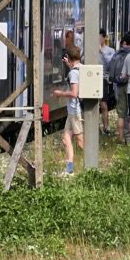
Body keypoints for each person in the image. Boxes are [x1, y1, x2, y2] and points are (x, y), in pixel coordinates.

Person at [51, 45, 83, 174]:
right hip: (72, 112)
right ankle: (69, 170)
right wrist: (68, 65)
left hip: (75, 112)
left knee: (81, 143)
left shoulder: (73, 73)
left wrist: (59, 93)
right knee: (66, 139)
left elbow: (74, 93)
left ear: (68, 57)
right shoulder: (80, 68)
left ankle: (93, 164)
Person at [109, 31, 130, 143]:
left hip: (119, 86)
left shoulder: (117, 53)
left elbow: (110, 68)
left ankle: (120, 138)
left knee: (121, 114)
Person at [99, 29, 116, 135]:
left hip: (103, 79)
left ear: (104, 38)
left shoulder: (110, 50)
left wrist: (101, 51)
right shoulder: (91, 48)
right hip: (92, 79)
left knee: (103, 104)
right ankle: (96, 128)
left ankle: (106, 126)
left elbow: (111, 64)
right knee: (93, 105)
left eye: (99, 37)